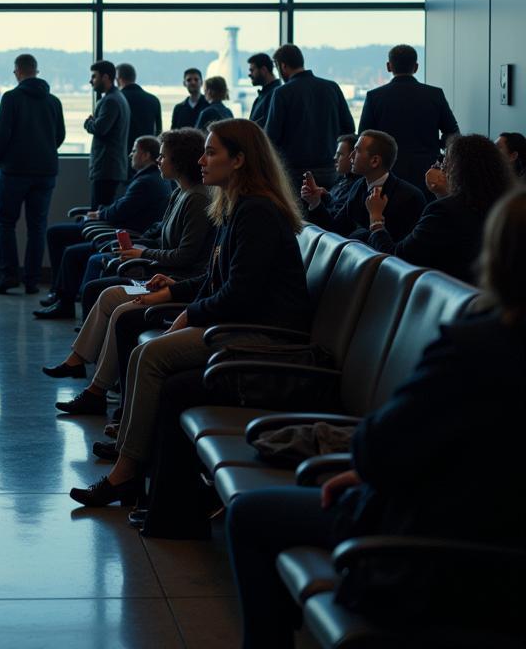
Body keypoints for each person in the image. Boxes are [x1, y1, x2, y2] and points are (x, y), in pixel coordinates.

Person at [225, 188, 526, 648]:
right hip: (506, 562)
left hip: (444, 559)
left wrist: (368, 472)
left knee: (250, 515)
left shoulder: (474, 349)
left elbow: (379, 446)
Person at [69, 119, 311, 510]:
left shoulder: (257, 213)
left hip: (265, 337)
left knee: (150, 354)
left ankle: (125, 472)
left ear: (239, 160)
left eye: (211, 152)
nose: (201, 160)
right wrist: (175, 290)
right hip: (241, 323)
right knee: (149, 348)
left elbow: (239, 295)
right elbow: (218, 279)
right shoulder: (238, 206)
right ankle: (132, 463)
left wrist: (189, 314)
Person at [45, 128, 213, 412]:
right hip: (167, 275)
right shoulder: (181, 194)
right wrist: (140, 246)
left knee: (113, 301)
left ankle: (93, 386)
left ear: (179, 161)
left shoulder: (196, 199)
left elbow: (186, 254)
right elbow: (162, 236)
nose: (159, 161)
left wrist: (143, 253)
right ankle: (84, 371)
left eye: (163, 156)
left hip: (179, 281)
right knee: (108, 294)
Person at [35, 136, 171, 320]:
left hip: (126, 235)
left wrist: (99, 214)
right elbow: (122, 206)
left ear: (146, 155)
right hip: (125, 232)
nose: (130, 154)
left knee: (71, 251)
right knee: (70, 244)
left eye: (134, 151)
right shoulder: (150, 178)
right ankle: (62, 296)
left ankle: (64, 301)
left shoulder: (146, 181)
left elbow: (120, 211)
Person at [366, 133, 514, 283]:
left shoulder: (442, 211)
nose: (441, 168)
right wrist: (444, 195)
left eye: (445, 163)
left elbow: (397, 260)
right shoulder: (506, 205)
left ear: (457, 170)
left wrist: (376, 219)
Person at [0, 54, 66, 294]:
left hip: (13, 171)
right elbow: (60, 135)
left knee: (6, 223)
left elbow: (1, 134)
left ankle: (8, 276)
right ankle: (32, 280)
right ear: (36, 71)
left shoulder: (11, 98)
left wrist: (0, 158)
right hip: (45, 172)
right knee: (37, 226)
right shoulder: (53, 101)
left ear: (18, 72)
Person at [357, 43, 458, 193]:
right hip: (427, 170)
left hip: (388, 171)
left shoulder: (375, 97)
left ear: (389, 66)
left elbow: (364, 135)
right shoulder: (434, 94)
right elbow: (452, 133)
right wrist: (435, 147)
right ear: (416, 67)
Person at [303, 129, 424, 242]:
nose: (351, 156)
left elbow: (399, 253)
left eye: (357, 151)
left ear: (375, 161)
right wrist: (315, 202)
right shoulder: (358, 186)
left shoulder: (410, 197)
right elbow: (336, 229)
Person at [264, 44, 355, 192]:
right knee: (327, 211)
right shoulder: (332, 87)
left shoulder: (282, 93)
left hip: (294, 172)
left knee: (299, 214)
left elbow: (271, 137)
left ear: (283, 66)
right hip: (331, 169)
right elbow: (349, 128)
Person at [84, 60, 130, 209]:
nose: (91, 81)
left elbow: (100, 129)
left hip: (106, 168)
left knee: (98, 212)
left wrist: (89, 123)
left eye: (94, 77)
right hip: (112, 167)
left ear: (105, 77)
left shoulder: (110, 100)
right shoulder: (118, 97)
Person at [116, 63, 163, 156]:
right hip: (147, 154)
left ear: (118, 79)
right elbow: (158, 130)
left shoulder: (117, 100)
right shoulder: (153, 99)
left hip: (123, 154)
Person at [246, 53, 280, 129]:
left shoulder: (276, 94)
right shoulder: (264, 95)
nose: (249, 74)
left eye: (252, 70)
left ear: (264, 70)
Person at [327, 132, 359, 205]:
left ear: (353, 156)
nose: (335, 157)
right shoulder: (342, 179)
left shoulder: (355, 188)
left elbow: (334, 214)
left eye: (340, 154)